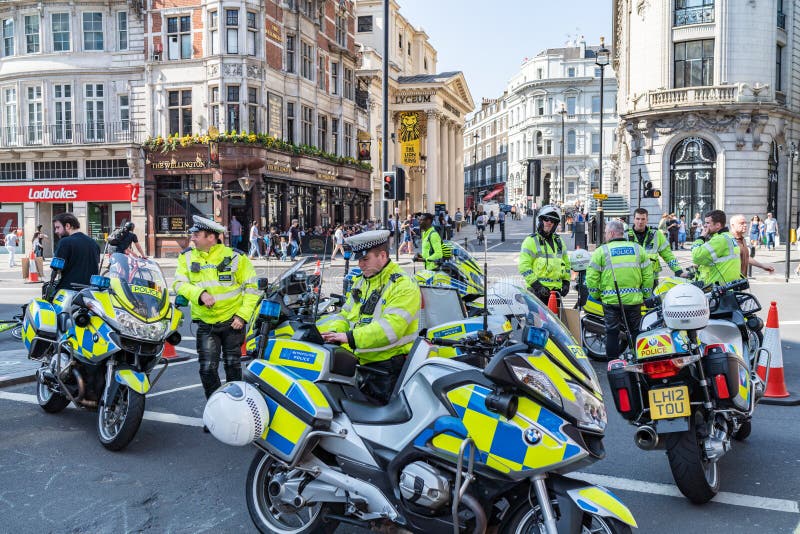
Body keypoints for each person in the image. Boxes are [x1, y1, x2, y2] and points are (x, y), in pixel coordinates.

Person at [173, 215, 259, 428]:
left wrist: (242, 316)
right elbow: (178, 284)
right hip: (206, 324)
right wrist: (200, 293)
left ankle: (236, 415)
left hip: (233, 323)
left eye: (196, 234)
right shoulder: (186, 258)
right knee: (207, 369)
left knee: (232, 369)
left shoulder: (236, 258)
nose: (192, 238)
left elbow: (253, 288)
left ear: (211, 237)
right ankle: (216, 413)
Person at [318, 230, 420, 403]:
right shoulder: (362, 281)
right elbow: (345, 315)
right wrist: (333, 333)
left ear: (382, 255)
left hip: (386, 370)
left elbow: (391, 329)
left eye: (365, 259)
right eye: (359, 260)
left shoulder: (402, 285)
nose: (360, 265)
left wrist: (349, 337)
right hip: (359, 363)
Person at [586, 220, 653, 362]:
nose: (605, 236)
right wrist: (646, 295)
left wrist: (596, 295)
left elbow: (591, 278)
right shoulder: (637, 249)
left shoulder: (601, 251)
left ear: (611, 233)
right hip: (634, 300)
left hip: (611, 301)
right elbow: (648, 275)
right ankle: (640, 359)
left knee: (611, 332)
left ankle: (613, 362)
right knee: (636, 331)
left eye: (605, 233)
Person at [518, 205, 571, 304]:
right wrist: (537, 286)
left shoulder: (559, 241)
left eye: (553, 221)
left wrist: (566, 282)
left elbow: (567, 264)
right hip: (537, 292)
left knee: (556, 319)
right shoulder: (530, 241)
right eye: (547, 219)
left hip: (555, 292)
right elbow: (524, 267)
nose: (549, 222)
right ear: (541, 220)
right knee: (537, 319)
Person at [626, 208, 683, 287]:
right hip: (631, 278)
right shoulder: (625, 235)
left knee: (652, 299)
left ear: (647, 220)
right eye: (638, 219)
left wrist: (678, 270)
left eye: (643, 219)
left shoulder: (656, 234)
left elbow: (668, 255)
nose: (640, 222)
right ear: (634, 219)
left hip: (651, 279)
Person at [51, 213, 100, 294]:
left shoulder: (65, 242)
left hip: (69, 291)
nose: (56, 231)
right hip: (90, 292)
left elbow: (56, 269)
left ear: (67, 226)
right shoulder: (93, 243)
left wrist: (52, 282)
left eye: (57, 227)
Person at [691, 210, 742, 285]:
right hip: (726, 286)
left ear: (718, 225)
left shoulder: (719, 239)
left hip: (718, 288)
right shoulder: (727, 236)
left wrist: (701, 237)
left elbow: (696, 257)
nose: (705, 225)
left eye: (708, 223)